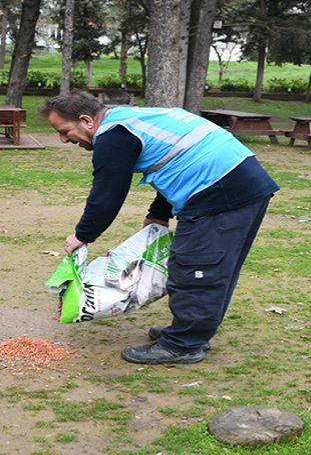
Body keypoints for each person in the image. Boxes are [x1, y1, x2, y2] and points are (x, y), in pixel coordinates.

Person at [40, 90, 279, 365]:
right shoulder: (129, 120)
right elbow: (176, 158)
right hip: (238, 182)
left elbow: (107, 195)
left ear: (86, 120)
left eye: (64, 130)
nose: (63, 139)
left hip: (220, 190)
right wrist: (159, 214)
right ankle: (191, 333)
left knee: (195, 267)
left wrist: (82, 235)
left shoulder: (113, 135)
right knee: (211, 267)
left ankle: (183, 345)